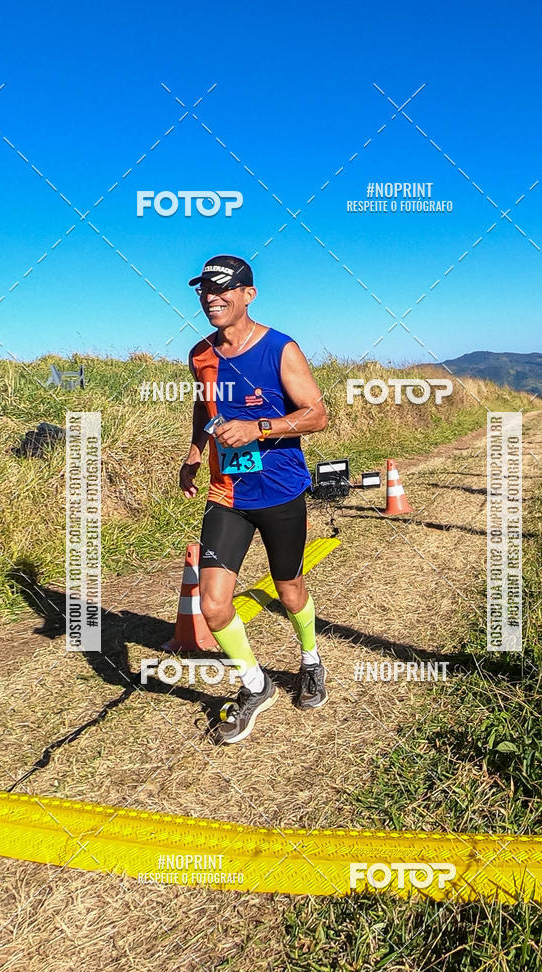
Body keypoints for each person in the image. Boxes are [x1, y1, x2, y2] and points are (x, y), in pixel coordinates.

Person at [180, 254, 329, 744]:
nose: (212, 298)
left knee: (289, 592)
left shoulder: (281, 349)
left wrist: (259, 428)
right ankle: (255, 684)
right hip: (227, 494)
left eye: (224, 289)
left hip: (281, 490)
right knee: (214, 606)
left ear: (249, 294)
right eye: (205, 290)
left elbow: (316, 415)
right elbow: (205, 405)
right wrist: (195, 453)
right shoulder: (200, 353)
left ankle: (309, 659)